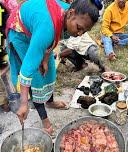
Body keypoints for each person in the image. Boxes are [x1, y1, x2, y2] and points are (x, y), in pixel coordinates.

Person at [6, 0, 102, 134]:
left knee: (49, 70)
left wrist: (45, 58)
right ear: (71, 13)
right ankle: (44, 119)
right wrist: (23, 103)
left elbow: (53, 38)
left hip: (39, 30)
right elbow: (27, 70)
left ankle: (50, 102)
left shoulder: (67, 13)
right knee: (36, 79)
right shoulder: (47, 27)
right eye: (79, 28)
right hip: (20, 33)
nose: (80, 34)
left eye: (84, 31)